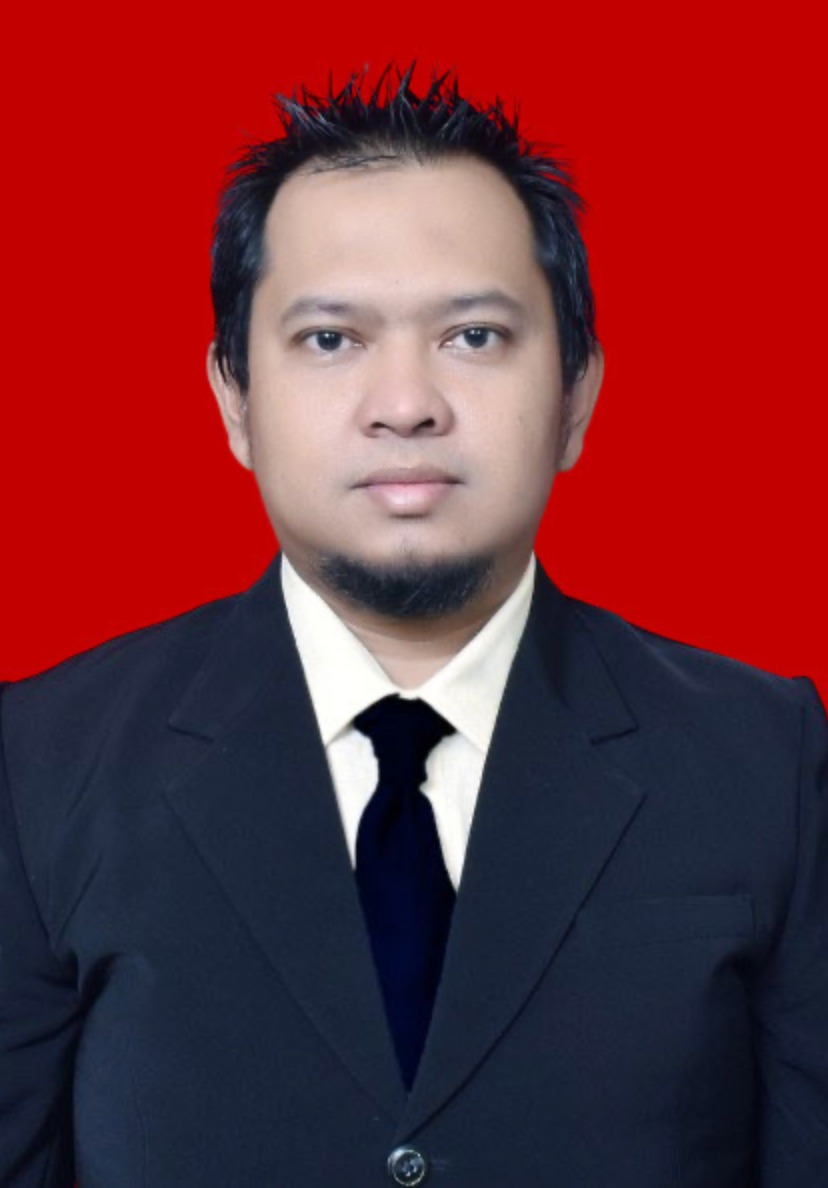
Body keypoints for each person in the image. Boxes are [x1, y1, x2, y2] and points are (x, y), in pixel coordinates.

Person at [1, 67, 826, 1188]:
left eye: (474, 336)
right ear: (234, 399)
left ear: (577, 394)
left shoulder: (765, 757)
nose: (405, 404)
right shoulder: (40, 763)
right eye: (330, 339)